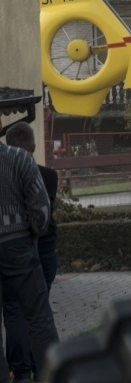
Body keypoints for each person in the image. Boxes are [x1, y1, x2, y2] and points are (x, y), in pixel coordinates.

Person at [0, 126, 60, 383]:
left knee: (14, 312)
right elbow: (41, 209)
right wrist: (31, 236)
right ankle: (52, 374)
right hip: (18, 245)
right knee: (38, 317)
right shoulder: (20, 159)